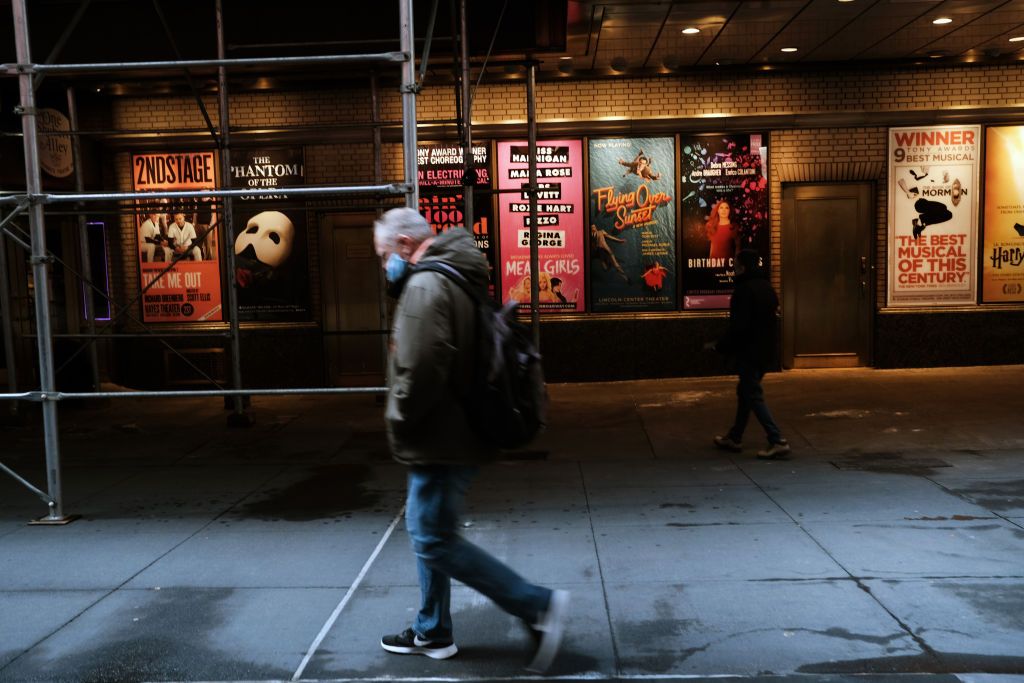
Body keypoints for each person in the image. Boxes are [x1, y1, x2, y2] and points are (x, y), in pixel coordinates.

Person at [373, 207, 569, 672]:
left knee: (433, 539)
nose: (385, 268)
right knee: (430, 534)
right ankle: (433, 629)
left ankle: (536, 605)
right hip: (452, 431)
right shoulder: (454, 275)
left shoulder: (425, 285)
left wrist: (397, 416)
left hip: (440, 435)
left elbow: (421, 369)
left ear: (404, 244)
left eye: (384, 257)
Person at [704, 249, 790, 459]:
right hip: (765, 351)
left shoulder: (743, 291)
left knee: (752, 394)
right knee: (746, 393)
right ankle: (734, 437)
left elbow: (739, 328)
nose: (733, 268)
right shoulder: (767, 288)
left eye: (735, 264)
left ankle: (776, 439)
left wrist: (720, 346)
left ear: (743, 267)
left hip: (750, 352)